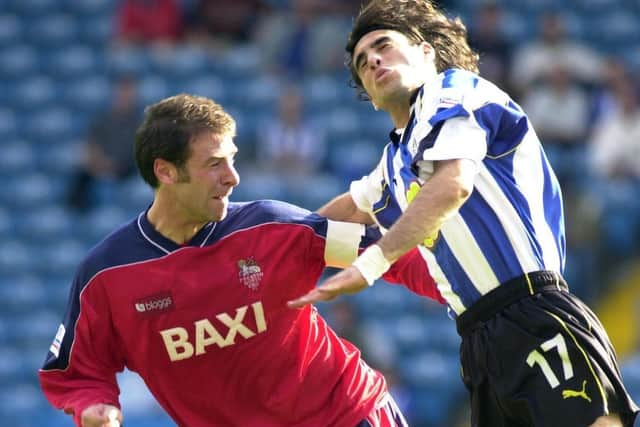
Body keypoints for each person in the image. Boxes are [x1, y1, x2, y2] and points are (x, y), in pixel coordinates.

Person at [287, 1, 639, 426]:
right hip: (478, 344)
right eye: (363, 63)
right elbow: (328, 222)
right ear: (370, 96)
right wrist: (254, 246)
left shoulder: (455, 91)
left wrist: (373, 263)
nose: (374, 60)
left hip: (534, 310)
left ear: (425, 52)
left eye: (384, 45)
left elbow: (453, 185)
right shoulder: (392, 163)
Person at [39, 94, 443, 427]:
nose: (233, 177)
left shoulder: (272, 228)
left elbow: (382, 252)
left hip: (345, 415)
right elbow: (76, 371)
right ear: (165, 171)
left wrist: (466, 291)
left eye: (232, 160)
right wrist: (94, 405)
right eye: (214, 164)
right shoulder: (108, 276)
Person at [66, 76, 141, 211]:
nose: (124, 97)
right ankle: (78, 212)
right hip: (100, 167)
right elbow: (91, 144)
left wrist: (115, 164)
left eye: (128, 92)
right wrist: (99, 162)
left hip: (129, 170)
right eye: (121, 92)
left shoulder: (140, 122)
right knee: (80, 176)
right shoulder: (103, 120)